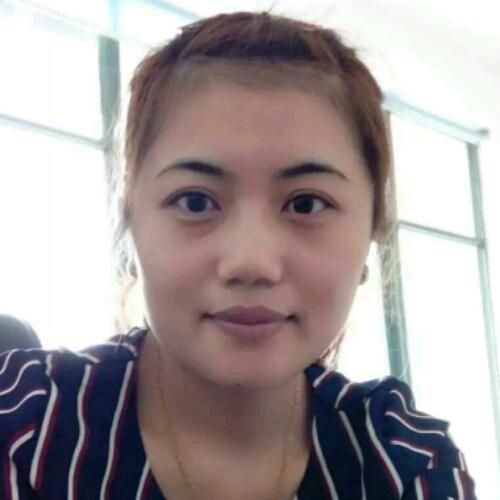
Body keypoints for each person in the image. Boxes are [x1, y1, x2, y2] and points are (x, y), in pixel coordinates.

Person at [0, 10, 477, 500]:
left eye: (306, 204)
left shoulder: (402, 460)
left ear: (372, 228)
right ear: (131, 221)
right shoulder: (24, 427)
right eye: (195, 202)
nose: (251, 263)